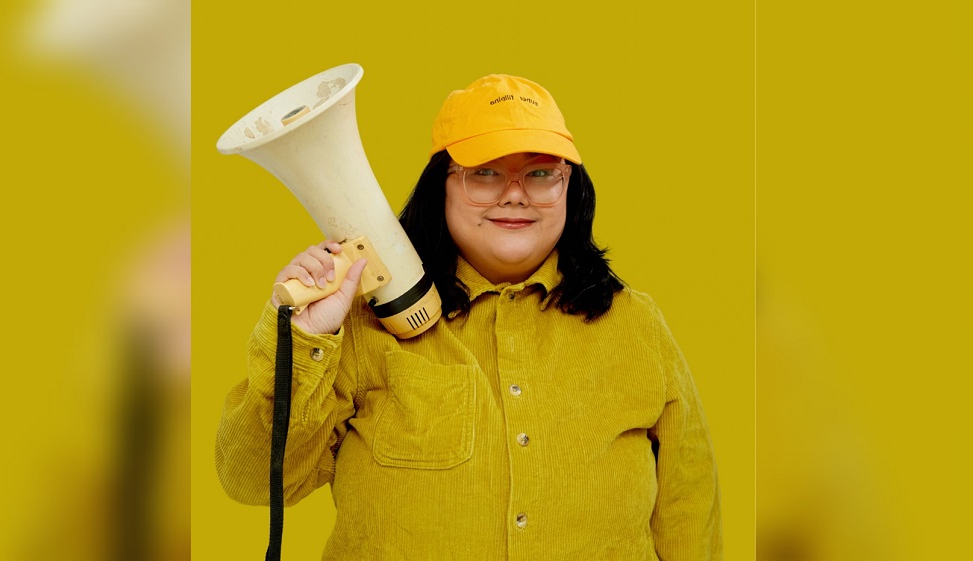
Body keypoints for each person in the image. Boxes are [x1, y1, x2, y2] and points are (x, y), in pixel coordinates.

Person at [216, 74, 722, 560]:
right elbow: (252, 479)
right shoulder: (359, 327)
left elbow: (688, 503)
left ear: (571, 188)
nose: (515, 193)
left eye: (541, 172)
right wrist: (303, 337)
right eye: (485, 172)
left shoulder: (636, 325)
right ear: (444, 186)